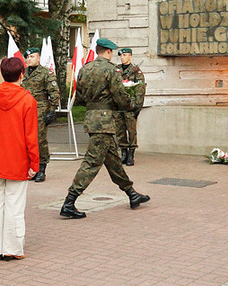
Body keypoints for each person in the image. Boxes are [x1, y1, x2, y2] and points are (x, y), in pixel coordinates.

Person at [60, 38, 150, 219]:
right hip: (105, 120)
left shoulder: (85, 69)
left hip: (92, 118)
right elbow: (119, 95)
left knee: (114, 161)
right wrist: (131, 105)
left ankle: (131, 194)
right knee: (92, 162)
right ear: (108, 52)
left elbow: (81, 97)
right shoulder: (111, 70)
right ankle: (69, 202)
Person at [0, 57, 39, 261]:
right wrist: (34, 163)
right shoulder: (27, 100)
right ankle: (13, 247)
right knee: (15, 204)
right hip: (17, 159)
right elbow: (31, 136)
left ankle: (0, 248)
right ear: (22, 74)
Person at [21, 47, 60, 182]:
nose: (29, 59)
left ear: (38, 58)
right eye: (27, 57)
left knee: (39, 140)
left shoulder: (46, 73)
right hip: (24, 110)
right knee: (26, 140)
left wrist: (51, 111)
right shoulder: (23, 73)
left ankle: (41, 168)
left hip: (40, 109)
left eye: (32, 57)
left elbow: (54, 93)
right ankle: (31, 167)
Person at [114, 48, 146, 166]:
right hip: (118, 106)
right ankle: (123, 152)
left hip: (130, 106)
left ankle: (131, 154)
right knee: (120, 130)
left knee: (131, 131)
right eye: (121, 55)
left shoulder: (136, 72)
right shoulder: (116, 70)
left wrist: (137, 106)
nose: (122, 57)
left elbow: (140, 89)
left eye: (125, 55)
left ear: (130, 56)